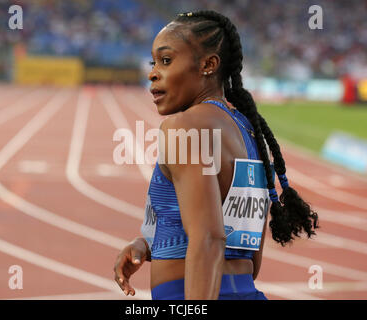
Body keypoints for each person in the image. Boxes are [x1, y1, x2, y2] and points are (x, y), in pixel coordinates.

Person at [113, 10, 319, 300]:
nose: (153, 72)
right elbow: (248, 257)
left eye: (166, 60)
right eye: (154, 62)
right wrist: (149, 245)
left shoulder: (185, 126)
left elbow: (209, 237)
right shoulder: (249, 134)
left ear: (208, 64)